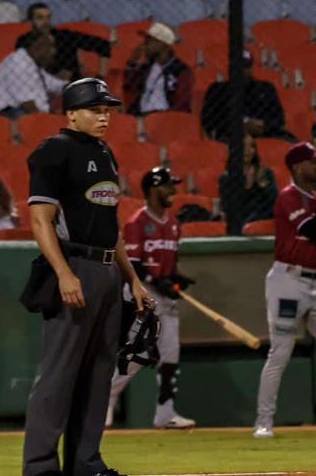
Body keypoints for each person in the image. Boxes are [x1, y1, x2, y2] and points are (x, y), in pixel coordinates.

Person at [22, 77, 153, 476]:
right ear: (72, 113)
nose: (104, 116)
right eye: (95, 109)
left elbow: (108, 226)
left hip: (107, 271)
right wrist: (63, 273)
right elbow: (39, 219)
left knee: (98, 375)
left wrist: (132, 277)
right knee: (58, 377)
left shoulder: (103, 151)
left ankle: (85, 463)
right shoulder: (53, 151)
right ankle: (41, 467)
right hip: (75, 265)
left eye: (107, 109)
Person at [106, 166, 197, 430]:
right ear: (153, 189)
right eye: (168, 186)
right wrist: (159, 281)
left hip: (165, 299)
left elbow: (168, 265)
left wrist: (177, 279)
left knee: (170, 356)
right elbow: (133, 264)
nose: (173, 191)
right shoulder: (137, 222)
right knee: (137, 356)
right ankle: (106, 400)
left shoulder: (173, 224)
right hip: (141, 296)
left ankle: (165, 414)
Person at [253, 142, 316, 439]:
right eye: (312, 162)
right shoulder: (289, 197)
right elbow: (310, 229)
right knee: (281, 352)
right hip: (288, 281)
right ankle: (264, 421)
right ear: (298, 167)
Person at [201, 50, 292, 142]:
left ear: (251, 68)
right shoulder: (217, 90)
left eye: (246, 66)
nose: (242, 71)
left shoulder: (266, 88)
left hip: (263, 136)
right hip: (229, 137)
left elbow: (279, 120)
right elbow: (208, 121)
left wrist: (262, 125)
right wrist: (241, 124)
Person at [16, 2, 112, 81]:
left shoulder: (65, 36)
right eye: (40, 18)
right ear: (30, 21)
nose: (46, 22)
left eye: (48, 17)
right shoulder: (24, 40)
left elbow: (104, 45)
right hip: (40, 85)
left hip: (72, 86)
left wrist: (101, 77)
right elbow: (20, 68)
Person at [0, 30, 68, 119]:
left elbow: (55, 85)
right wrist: (46, 121)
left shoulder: (33, 64)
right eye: (51, 47)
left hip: (28, 112)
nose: (54, 52)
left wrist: (76, 87)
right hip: (8, 113)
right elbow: (27, 104)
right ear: (38, 47)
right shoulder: (17, 63)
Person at [123, 22, 193, 116]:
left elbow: (181, 102)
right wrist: (132, 63)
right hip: (140, 116)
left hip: (165, 117)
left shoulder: (181, 70)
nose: (145, 46)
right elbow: (130, 87)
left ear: (164, 45)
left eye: (149, 42)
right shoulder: (147, 67)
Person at [219, 134, 278, 224]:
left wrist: (263, 184)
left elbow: (274, 201)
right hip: (240, 218)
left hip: (263, 216)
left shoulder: (265, 173)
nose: (247, 151)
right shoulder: (227, 177)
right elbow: (227, 206)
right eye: (243, 147)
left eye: (251, 147)